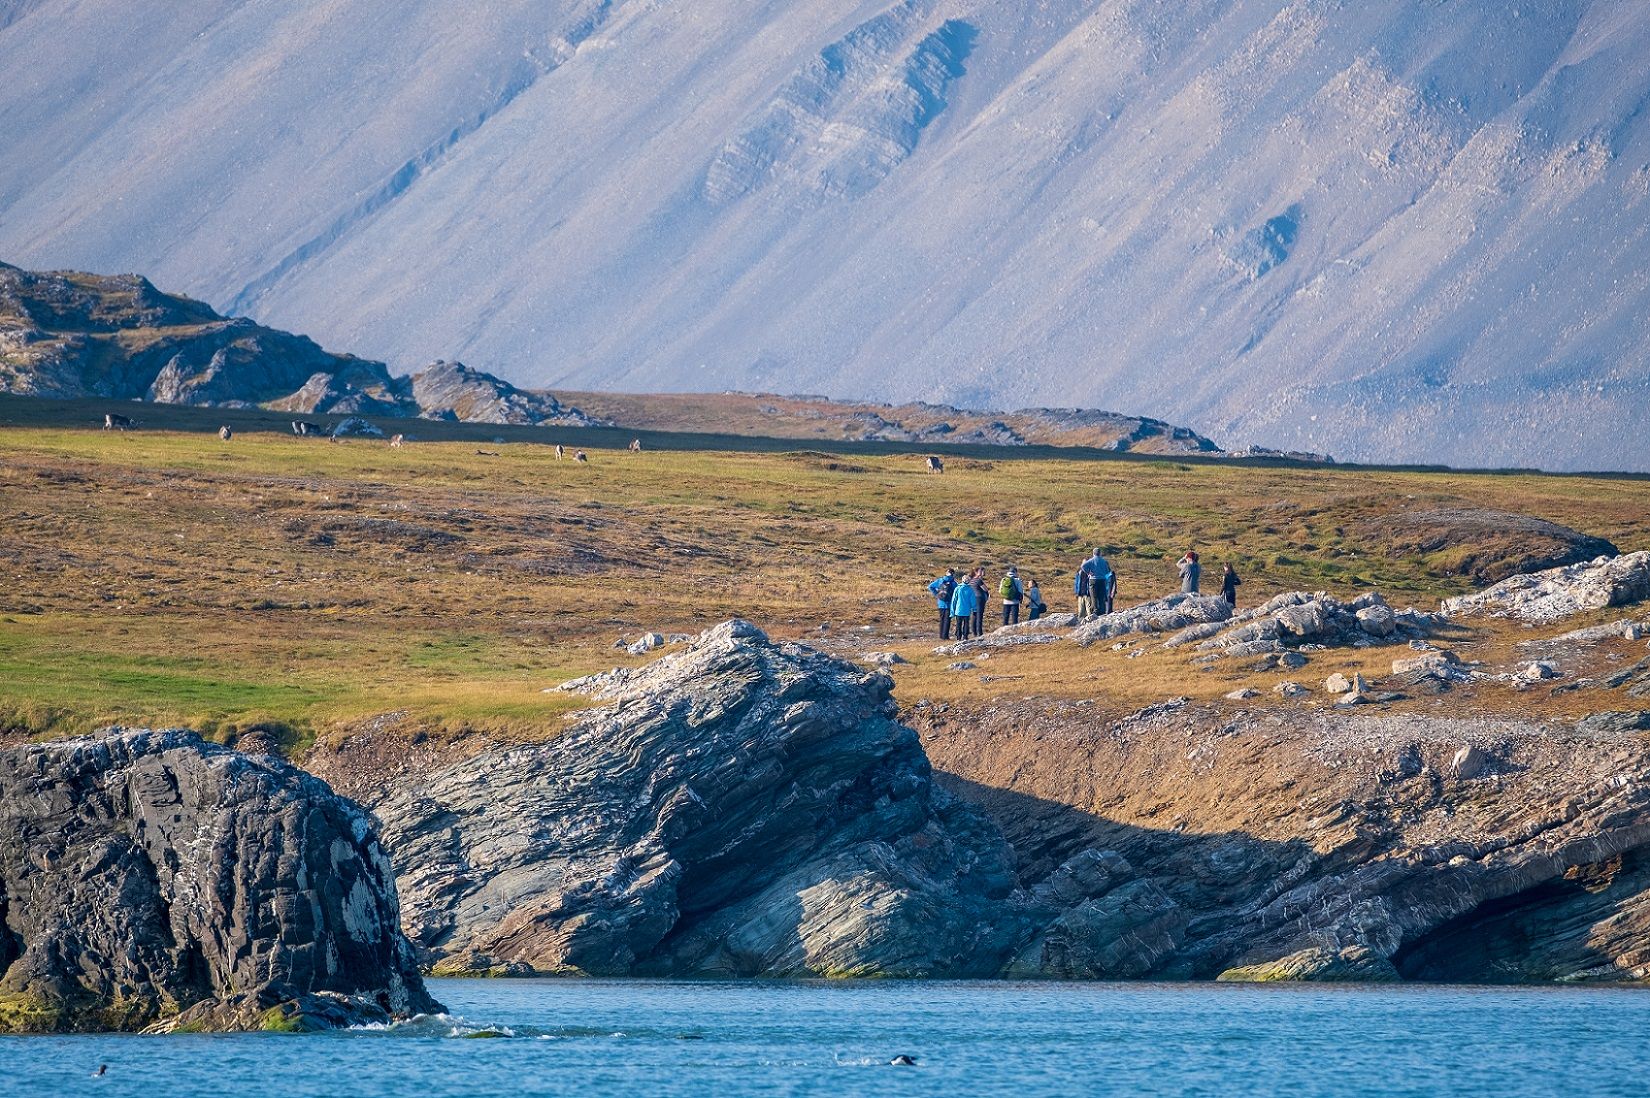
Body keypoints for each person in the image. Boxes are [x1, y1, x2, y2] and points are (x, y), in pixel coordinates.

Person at [927, 568, 959, 639]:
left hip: (941, 603)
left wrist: (936, 594)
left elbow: (930, 586)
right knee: (947, 620)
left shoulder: (940, 580)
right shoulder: (954, 583)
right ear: (953, 574)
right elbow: (957, 592)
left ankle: (941, 636)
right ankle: (945, 636)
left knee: (942, 620)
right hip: (949, 603)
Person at [950, 572, 978, 641]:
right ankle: (965, 637)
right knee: (966, 624)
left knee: (958, 624)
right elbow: (973, 601)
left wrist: (952, 612)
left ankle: (958, 637)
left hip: (958, 610)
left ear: (962, 580)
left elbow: (954, 600)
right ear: (968, 581)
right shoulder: (970, 589)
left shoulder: (957, 588)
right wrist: (974, 610)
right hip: (967, 610)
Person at [971, 567, 989, 637]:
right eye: (981, 572)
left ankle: (974, 632)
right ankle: (979, 632)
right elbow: (985, 589)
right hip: (979, 599)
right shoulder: (978, 580)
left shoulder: (972, 580)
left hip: (973, 599)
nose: (983, 573)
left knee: (974, 615)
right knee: (979, 616)